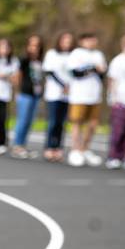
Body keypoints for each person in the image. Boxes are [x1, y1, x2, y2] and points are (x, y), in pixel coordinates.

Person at [66, 33, 107, 167]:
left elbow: (102, 74)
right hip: (79, 95)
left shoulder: (98, 55)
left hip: (94, 95)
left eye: (93, 40)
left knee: (93, 124)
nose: (91, 42)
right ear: (82, 41)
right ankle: (75, 150)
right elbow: (75, 73)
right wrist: (93, 68)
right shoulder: (76, 54)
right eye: (88, 40)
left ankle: (85, 149)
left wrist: (98, 71)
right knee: (77, 122)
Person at [42, 32, 74, 162]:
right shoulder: (52, 54)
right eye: (65, 41)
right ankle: (49, 147)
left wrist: (70, 87)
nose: (67, 43)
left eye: (69, 41)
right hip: (54, 93)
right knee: (53, 121)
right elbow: (50, 72)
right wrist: (63, 85)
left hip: (68, 95)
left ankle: (58, 148)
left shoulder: (73, 55)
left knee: (62, 123)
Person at [11, 35, 44, 159]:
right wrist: (17, 91)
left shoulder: (39, 61)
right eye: (32, 45)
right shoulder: (23, 60)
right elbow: (17, 76)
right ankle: (17, 146)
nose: (34, 48)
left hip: (35, 94)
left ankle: (23, 145)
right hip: (24, 93)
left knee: (30, 121)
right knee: (22, 120)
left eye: (37, 45)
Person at [105, 34, 125, 170]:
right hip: (121, 101)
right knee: (118, 131)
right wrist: (113, 98)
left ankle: (124, 156)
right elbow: (112, 80)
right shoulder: (118, 61)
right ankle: (113, 156)